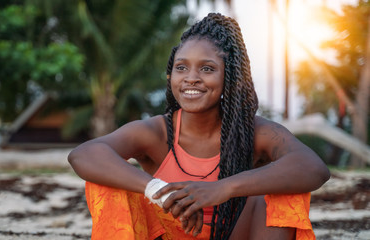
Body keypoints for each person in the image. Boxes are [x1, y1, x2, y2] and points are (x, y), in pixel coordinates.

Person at [68, 13, 330, 240]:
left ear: (229, 77)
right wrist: (158, 191)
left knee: (284, 190)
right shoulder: (156, 133)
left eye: (207, 69)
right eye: (182, 68)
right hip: (171, 233)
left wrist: (222, 189)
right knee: (107, 183)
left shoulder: (256, 132)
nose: (191, 79)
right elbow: (84, 155)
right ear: (171, 75)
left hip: (237, 233)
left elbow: (313, 169)